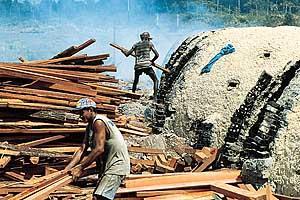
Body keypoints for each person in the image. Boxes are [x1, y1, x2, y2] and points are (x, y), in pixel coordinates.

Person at [65, 98, 130, 200]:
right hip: (107, 166)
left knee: (100, 197)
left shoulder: (99, 122)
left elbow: (99, 149)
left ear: (90, 110)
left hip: (116, 165)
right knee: (99, 196)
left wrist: (80, 168)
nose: (80, 116)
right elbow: (82, 149)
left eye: (82, 112)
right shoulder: (90, 126)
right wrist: (67, 169)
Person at [122, 32, 159, 99]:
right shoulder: (149, 44)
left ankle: (132, 94)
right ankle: (155, 97)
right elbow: (157, 55)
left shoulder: (136, 45)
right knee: (156, 80)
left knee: (136, 81)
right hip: (147, 65)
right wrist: (152, 61)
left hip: (138, 65)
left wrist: (123, 50)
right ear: (147, 38)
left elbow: (127, 54)